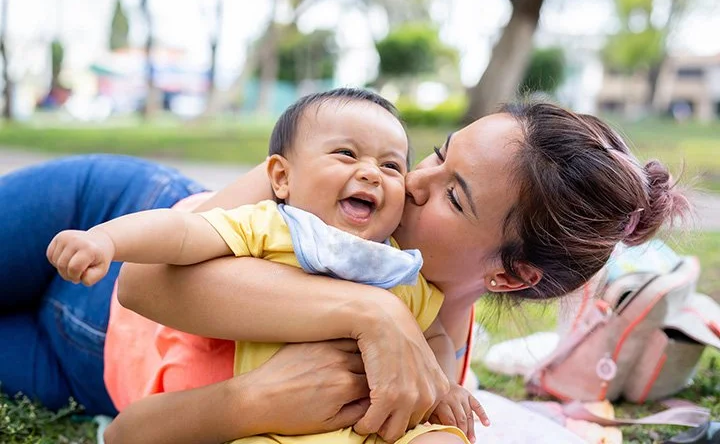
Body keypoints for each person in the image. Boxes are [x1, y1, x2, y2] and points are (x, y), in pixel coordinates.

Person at [0, 100, 687, 444]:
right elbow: (144, 281)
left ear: (507, 277)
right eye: (437, 154)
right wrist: (370, 312)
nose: (413, 179)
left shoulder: (419, 367)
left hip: (84, 374)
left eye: (453, 194)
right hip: (107, 216)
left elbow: (130, 433)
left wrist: (253, 403)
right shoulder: (340, 176)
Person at [47, 88, 487, 443]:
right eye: (348, 155)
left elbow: (432, 338)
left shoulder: (396, 266)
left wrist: (442, 384)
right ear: (279, 177)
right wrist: (105, 238)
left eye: (392, 165)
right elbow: (181, 234)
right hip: (112, 229)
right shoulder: (273, 226)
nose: (375, 173)